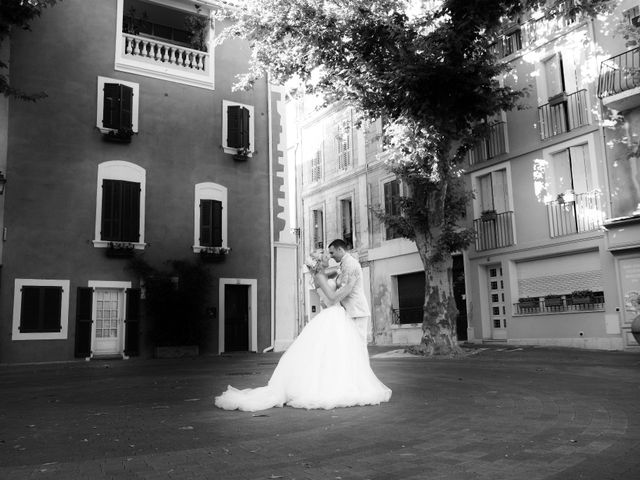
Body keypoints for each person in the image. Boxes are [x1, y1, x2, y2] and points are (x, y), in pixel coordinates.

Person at [214, 250, 391, 412]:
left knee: (333, 353)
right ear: (317, 262)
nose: (326, 254)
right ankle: (330, 386)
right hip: (333, 313)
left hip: (336, 314)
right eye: (322, 253)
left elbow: (337, 272)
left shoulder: (324, 273)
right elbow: (331, 298)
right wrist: (350, 285)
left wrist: (346, 267)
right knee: (333, 351)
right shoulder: (320, 276)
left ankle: (338, 382)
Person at [323, 239, 371, 347]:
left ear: (340, 249)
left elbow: (346, 289)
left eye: (332, 252)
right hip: (349, 311)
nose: (330, 256)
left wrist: (331, 302)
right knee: (350, 346)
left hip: (356, 311)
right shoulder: (343, 264)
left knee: (358, 345)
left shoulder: (350, 263)